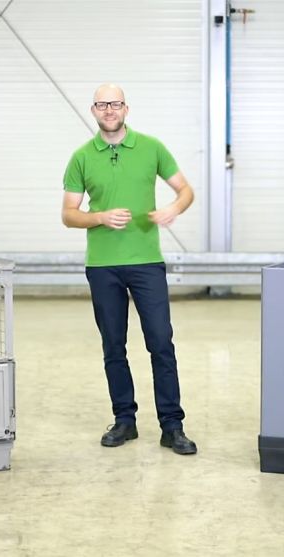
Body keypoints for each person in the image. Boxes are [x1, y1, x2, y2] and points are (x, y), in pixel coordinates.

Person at [61, 84, 198, 455]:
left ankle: (172, 426)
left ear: (126, 108)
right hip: (102, 266)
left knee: (161, 342)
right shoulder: (81, 157)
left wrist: (173, 209)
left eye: (116, 103)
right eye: (102, 104)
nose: (109, 110)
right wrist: (100, 217)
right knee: (113, 346)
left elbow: (185, 190)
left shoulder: (152, 148)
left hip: (146, 263)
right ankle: (124, 420)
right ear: (93, 110)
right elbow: (69, 214)